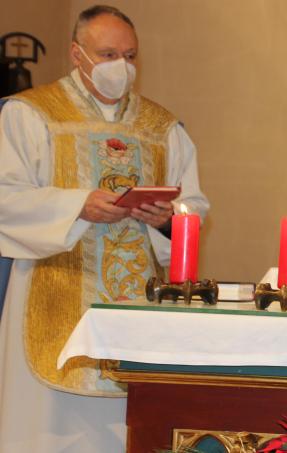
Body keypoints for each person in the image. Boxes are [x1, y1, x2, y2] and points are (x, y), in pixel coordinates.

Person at [0, 5, 209, 452]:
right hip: (53, 289)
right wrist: (77, 206)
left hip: (135, 305)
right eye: (108, 53)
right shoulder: (30, 114)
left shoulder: (162, 128)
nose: (122, 67)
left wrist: (169, 218)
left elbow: (193, 206)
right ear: (77, 55)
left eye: (131, 56)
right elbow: (4, 196)